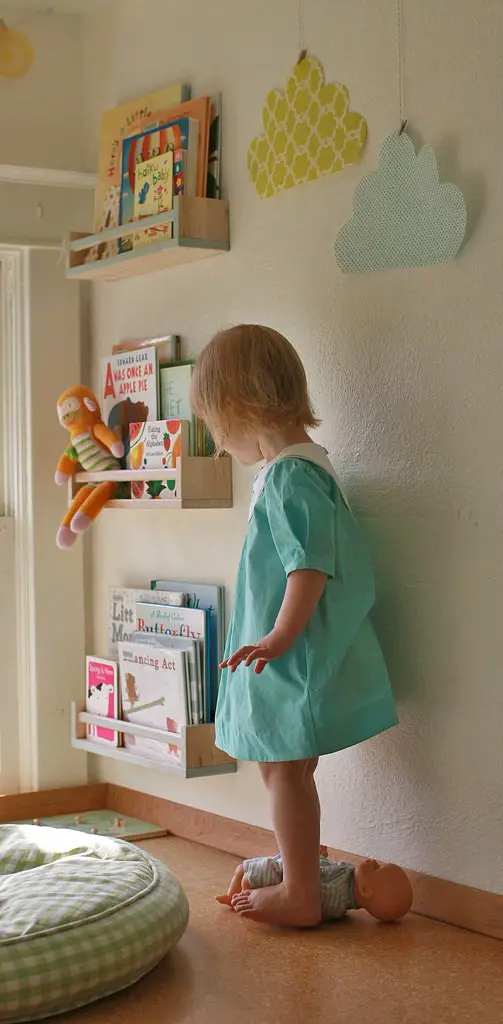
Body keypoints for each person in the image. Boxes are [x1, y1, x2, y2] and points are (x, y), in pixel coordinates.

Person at [191, 325, 398, 927]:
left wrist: (279, 638)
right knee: (282, 767)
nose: (218, 439)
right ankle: (301, 861)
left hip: (291, 656)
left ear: (235, 410)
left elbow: (308, 567)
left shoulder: (290, 477)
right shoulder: (301, 468)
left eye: (212, 424)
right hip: (284, 654)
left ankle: (302, 890)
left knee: (284, 768)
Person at [217, 851, 413, 923]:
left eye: (376, 868)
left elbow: (315, 893)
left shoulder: (338, 897)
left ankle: (238, 896)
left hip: (281, 877)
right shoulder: (350, 877)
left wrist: (311, 866)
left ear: (366, 891)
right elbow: (328, 869)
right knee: (243, 869)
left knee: (244, 873)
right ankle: (232, 895)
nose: (373, 861)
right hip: (291, 867)